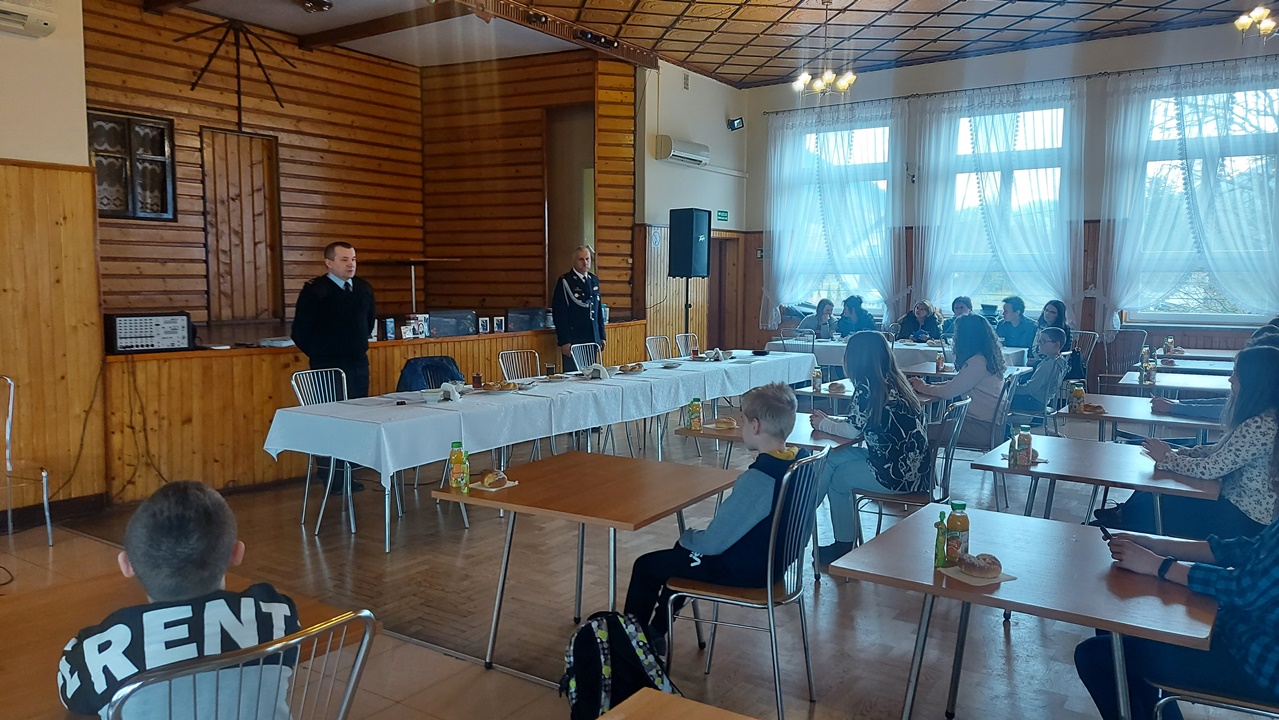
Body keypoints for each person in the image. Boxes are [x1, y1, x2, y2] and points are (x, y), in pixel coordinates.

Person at [58, 482, 300, 719]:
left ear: (126, 565)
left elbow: (73, 699)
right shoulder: (276, 613)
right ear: (236, 553)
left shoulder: (107, 646)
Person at [623, 383, 808, 655]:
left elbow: (712, 543)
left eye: (743, 420)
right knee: (682, 557)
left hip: (748, 571)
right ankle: (656, 632)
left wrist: (687, 538)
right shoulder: (800, 462)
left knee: (648, 565)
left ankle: (630, 648)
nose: (741, 425)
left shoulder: (759, 480)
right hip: (776, 564)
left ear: (755, 426)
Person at [1074, 522, 1279, 720]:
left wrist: (1159, 565)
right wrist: (1155, 545)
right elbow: (1246, 549)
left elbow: (1243, 590)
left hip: (1257, 665)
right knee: (1113, 628)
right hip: (1237, 631)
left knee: (1095, 656)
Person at [1095, 346, 1279, 540]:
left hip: (1244, 521)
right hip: (1238, 507)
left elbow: (1210, 470)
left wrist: (1168, 458)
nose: (1230, 379)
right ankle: (1121, 519)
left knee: (1152, 503)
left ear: (1254, 381)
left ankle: (1120, 529)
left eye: (1236, 373)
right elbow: (1224, 451)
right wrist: (1182, 453)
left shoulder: (1260, 424)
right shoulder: (1265, 417)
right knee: (1148, 492)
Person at [810, 331, 930, 564]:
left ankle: (829, 537)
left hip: (895, 474)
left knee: (837, 480)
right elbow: (859, 423)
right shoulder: (893, 381)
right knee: (832, 459)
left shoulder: (867, 386)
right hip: (917, 471)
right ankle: (804, 515)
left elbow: (852, 431)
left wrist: (822, 424)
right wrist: (830, 421)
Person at [291, 241, 376, 400]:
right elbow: (300, 330)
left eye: (353, 259)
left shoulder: (363, 288)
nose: (351, 264)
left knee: (360, 407)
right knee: (331, 408)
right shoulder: (315, 290)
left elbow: (369, 322)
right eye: (344, 260)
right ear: (329, 263)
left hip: (357, 362)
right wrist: (320, 352)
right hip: (327, 363)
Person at [911, 314, 1007, 448]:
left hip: (980, 428)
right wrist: (926, 385)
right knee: (924, 428)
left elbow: (948, 392)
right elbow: (957, 384)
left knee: (917, 431)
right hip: (991, 425)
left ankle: (924, 462)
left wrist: (921, 387)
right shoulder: (986, 358)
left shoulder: (977, 362)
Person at [1150, 328, 1279, 422]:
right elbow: (1229, 403)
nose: (1231, 379)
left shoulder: (1262, 419)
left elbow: (1227, 411)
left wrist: (1174, 407)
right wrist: (1177, 403)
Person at [551, 246, 606, 372]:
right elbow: (560, 313)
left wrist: (601, 335)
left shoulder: (593, 280)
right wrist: (564, 340)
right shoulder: (565, 281)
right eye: (581, 259)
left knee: (591, 375)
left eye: (587, 259)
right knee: (573, 376)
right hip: (574, 338)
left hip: (592, 337)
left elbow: (598, 310)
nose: (585, 263)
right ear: (574, 261)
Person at [1010, 327, 1069, 414]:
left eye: (1043, 341)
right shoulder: (1060, 360)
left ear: (1056, 345)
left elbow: (1031, 388)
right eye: (1039, 341)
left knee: (1002, 398)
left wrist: (1012, 389)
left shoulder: (1047, 364)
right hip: (1044, 401)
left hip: (1033, 402)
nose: (1039, 344)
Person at [1031, 299, 1075, 370]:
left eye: (1052, 312)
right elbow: (1032, 344)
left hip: (1055, 362)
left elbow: (1064, 349)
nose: (1047, 313)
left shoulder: (1064, 329)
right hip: (1035, 358)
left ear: (1058, 315)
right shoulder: (1037, 326)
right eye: (1046, 310)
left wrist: (1041, 360)